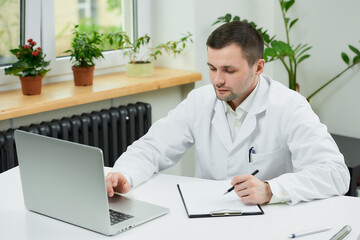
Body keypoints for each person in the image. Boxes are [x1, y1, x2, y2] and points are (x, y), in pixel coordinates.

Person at [106, 21, 350, 205]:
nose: (217, 80)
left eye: (229, 70)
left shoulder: (289, 106)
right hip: (206, 213)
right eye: (212, 68)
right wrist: (125, 174)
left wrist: (271, 189)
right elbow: (153, 148)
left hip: (269, 219)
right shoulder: (199, 101)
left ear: (259, 67)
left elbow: (335, 174)